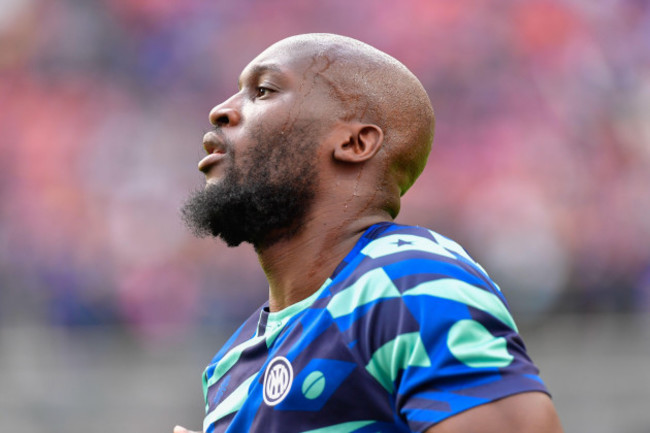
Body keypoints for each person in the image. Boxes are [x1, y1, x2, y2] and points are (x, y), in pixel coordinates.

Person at [177, 33, 564, 433]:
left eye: (263, 91)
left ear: (354, 142)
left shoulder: (409, 282)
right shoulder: (230, 364)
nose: (220, 111)